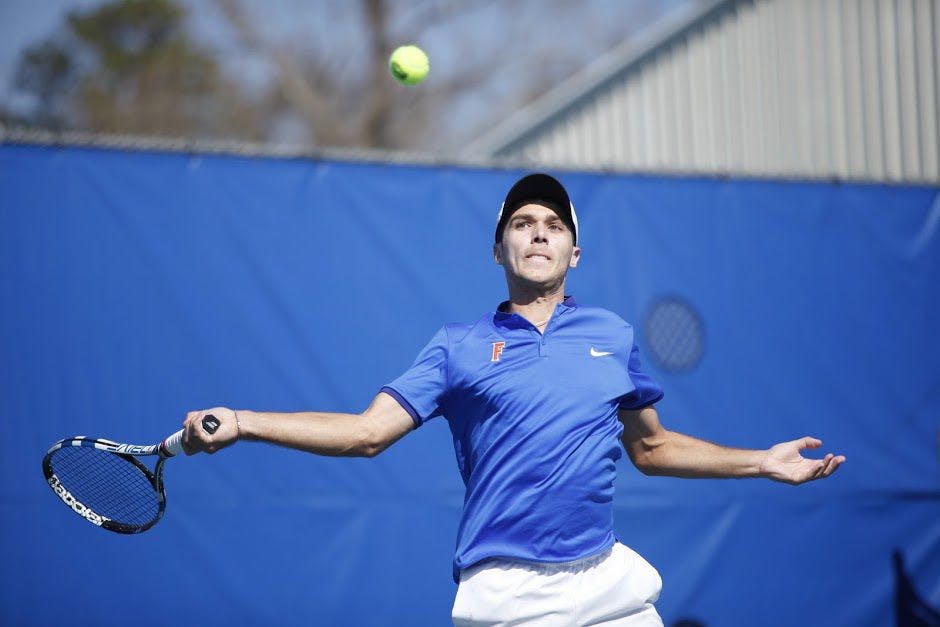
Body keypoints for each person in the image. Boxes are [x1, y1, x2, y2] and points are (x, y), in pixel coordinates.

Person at [182, 173, 846, 626]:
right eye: (522, 223)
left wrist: (762, 460)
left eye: (553, 225)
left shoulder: (611, 336)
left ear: (574, 252)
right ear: (499, 246)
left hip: (608, 584)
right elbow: (366, 431)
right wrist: (243, 421)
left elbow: (652, 446)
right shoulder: (457, 346)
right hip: (510, 594)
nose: (537, 233)